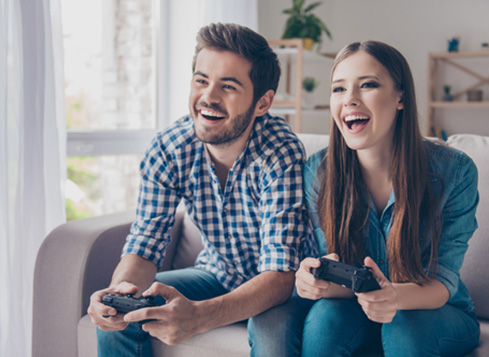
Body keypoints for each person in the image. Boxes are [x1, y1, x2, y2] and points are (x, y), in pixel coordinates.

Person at [87, 22, 317, 356]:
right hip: (216, 273)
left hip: (282, 288)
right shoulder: (169, 148)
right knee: (124, 313)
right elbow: (145, 244)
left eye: (228, 86)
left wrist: (198, 318)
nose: (208, 97)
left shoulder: (280, 152)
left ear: (263, 103)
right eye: (201, 80)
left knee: (272, 338)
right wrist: (119, 292)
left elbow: (280, 276)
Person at [294, 41, 480, 356]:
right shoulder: (319, 172)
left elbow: (442, 284)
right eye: (339, 89)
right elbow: (337, 269)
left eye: (367, 85)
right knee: (323, 321)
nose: (350, 99)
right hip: (359, 306)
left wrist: (393, 296)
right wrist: (316, 282)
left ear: (400, 97)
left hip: (434, 312)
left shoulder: (455, 171)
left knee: (404, 326)